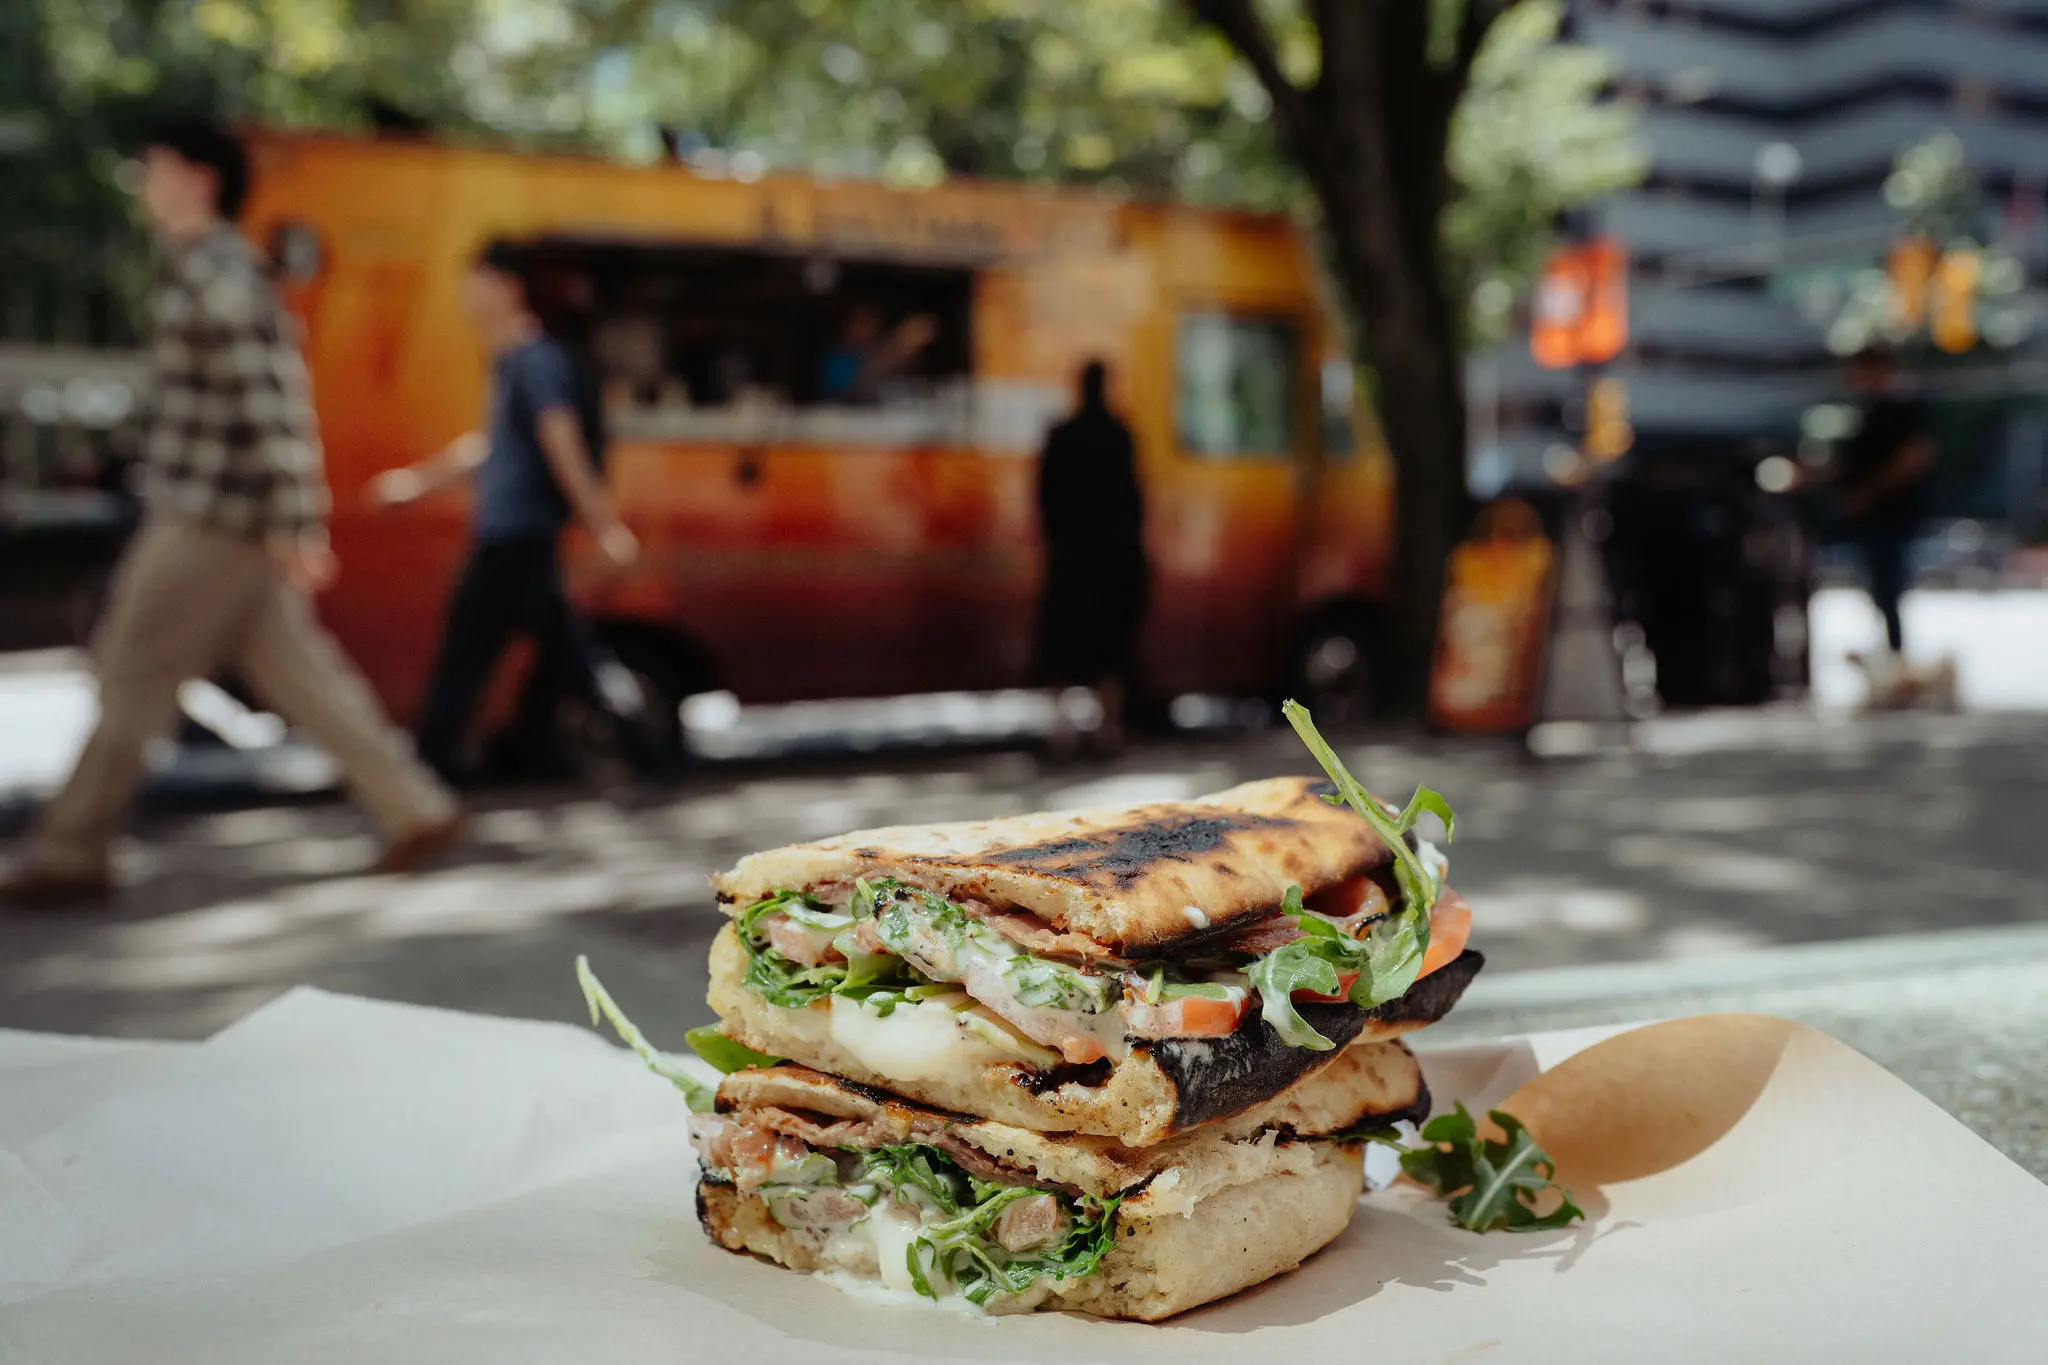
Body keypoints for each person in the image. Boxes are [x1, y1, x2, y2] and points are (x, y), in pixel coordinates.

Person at [1, 119, 462, 908]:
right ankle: (416, 806)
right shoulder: (202, 271)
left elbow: (272, 408)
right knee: (304, 677)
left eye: (154, 166)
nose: (144, 183)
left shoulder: (219, 274)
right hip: (225, 517)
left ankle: (72, 847)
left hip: (207, 519)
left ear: (198, 178)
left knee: (130, 669)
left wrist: (299, 522)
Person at [368, 240, 669, 784]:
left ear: (506, 288)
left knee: (468, 660)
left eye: (474, 281)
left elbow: (562, 441)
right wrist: (415, 486)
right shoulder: (511, 358)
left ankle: (424, 777)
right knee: (569, 657)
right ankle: (647, 749)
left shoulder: (534, 358)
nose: (464, 295)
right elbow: (490, 448)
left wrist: (603, 524)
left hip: (517, 540)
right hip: (514, 540)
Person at [1035, 360, 1148, 755]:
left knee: (1062, 649)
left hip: (1070, 558)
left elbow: (1044, 499)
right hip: (1111, 558)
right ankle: (1108, 731)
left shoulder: (1061, 435)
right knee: (1110, 651)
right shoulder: (1120, 436)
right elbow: (1135, 503)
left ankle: (1059, 734)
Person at [1837, 345, 1935, 658]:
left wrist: (1868, 491)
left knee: (1888, 588)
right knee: (1879, 589)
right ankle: (1891, 654)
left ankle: (1895, 656)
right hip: (1875, 515)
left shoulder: (1901, 408)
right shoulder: (1870, 411)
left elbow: (1914, 457)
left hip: (1891, 515)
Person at [816, 303, 937, 405]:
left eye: (872, 325)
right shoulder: (838, 355)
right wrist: (899, 347)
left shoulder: (870, 349)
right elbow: (853, 391)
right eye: (863, 324)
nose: (869, 330)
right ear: (849, 324)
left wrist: (909, 351)